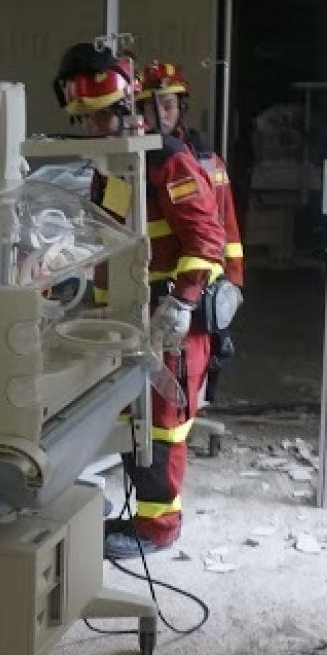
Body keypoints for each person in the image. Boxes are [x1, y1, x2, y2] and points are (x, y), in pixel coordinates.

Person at [52, 42, 228, 559]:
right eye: (83, 121)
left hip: (166, 321)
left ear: (125, 112)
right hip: (124, 320)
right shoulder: (109, 167)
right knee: (134, 424)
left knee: (162, 427)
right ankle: (139, 513)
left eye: (100, 119)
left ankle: (158, 528)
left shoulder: (166, 164)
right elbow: (102, 234)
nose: (91, 132)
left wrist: (181, 303)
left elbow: (207, 238)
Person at [139, 59, 246, 433]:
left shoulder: (206, 161)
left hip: (205, 292)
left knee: (200, 372)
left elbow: (227, 228)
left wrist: (233, 285)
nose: (160, 113)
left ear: (181, 108)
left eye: (168, 104)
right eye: (152, 105)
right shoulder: (143, 161)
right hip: (173, 294)